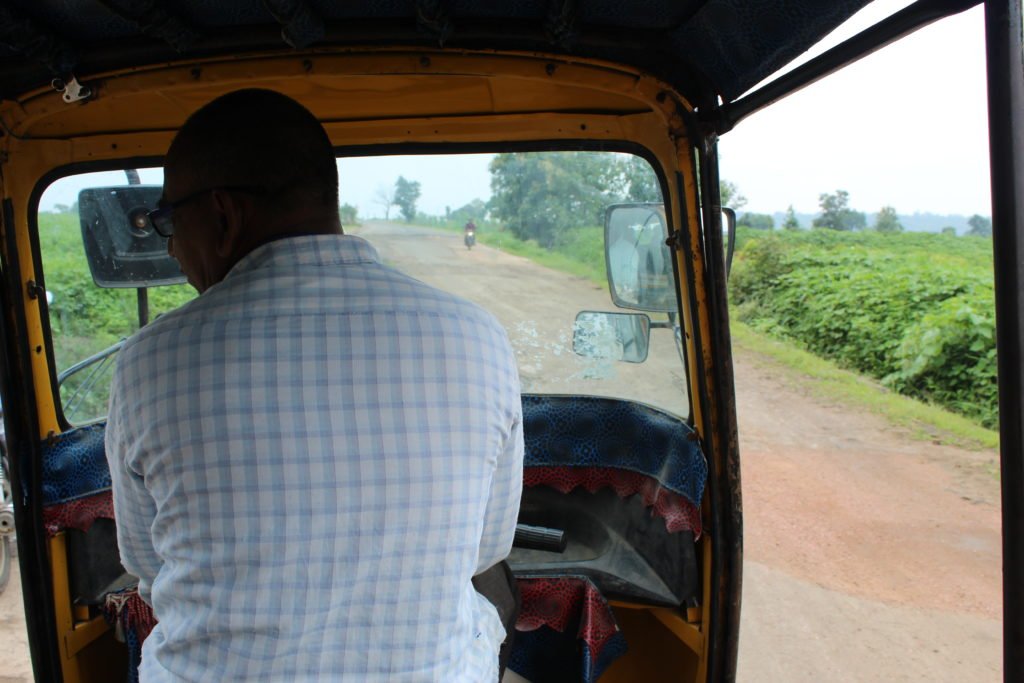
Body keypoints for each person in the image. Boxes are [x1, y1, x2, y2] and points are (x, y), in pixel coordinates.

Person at [106, 89, 524, 681]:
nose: (171, 248)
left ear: (223, 216)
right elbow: (487, 548)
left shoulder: (150, 360)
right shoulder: (479, 336)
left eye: (170, 222)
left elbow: (148, 565)